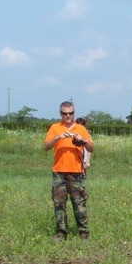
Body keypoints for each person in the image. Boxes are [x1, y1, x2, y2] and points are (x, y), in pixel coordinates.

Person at [43, 101, 94, 240]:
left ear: (74, 113)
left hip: (76, 171)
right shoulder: (55, 128)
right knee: (59, 203)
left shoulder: (81, 128)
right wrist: (58, 137)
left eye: (70, 113)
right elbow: (46, 146)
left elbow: (91, 148)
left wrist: (82, 140)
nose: (68, 116)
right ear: (60, 114)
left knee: (79, 203)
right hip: (59, 171)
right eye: (65, 113)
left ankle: (84, 233)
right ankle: (61, 233)